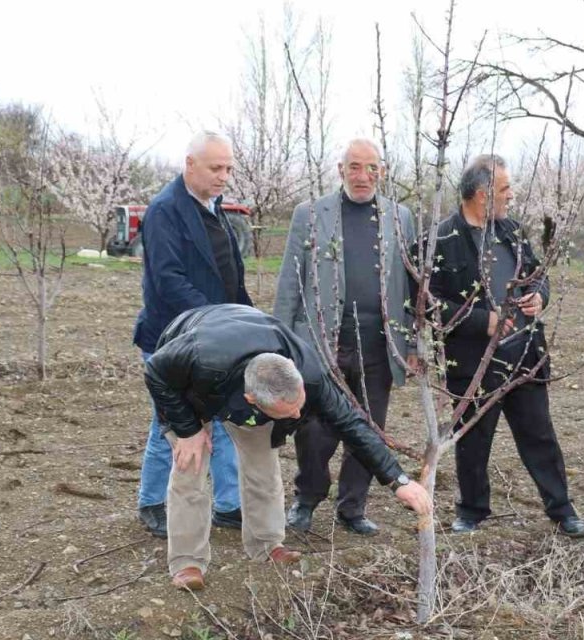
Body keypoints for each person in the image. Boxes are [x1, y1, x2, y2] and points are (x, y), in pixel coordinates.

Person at [145, 304, 433, 591]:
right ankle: (187, 562)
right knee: (190, 470)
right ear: (252, 400)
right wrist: (188, 430)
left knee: (263, 466)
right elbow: (156, 371)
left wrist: (398, 480)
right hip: (188, 389)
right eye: (288, 412)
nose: (298, 416)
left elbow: (352, 426)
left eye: (300, 404)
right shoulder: (200, 355)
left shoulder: (309, 371)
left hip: (243, 376)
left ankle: (267, 545)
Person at [424, 154, 584, 538]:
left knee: (539, 435)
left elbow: (536, 275)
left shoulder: (511, 231)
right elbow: (429, 304)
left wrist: (538, 297)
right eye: (504, 189)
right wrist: (486, 321)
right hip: (473, 362)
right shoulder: (442, 239)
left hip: (523, 355)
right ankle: (471, 510)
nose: (511, 196)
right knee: (473, 440)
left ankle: (561, 509)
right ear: (482, 195)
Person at [273, 139, 418, 536]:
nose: (362, 176)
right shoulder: (310, 214)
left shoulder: (399, 217)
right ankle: (306, 497)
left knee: (369, 427)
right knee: (315, 429)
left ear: (382, 172)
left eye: (371, 168)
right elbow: (291, 280)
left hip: (378, 341)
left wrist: (413, 344)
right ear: (340, 170)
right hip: (322, 340)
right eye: (354, 167)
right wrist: (279, 344)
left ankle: (352, 507)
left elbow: (411, 286)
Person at [132, 131, 252, 538]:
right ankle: (152, 502)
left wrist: (247, 320)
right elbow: (168, 280)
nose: (224, 176)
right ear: (190, 164)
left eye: (229, 168)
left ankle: (230, 505)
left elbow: (230, 274)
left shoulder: (212, 208)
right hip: (174, 340)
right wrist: (216, 320)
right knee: (167, 422)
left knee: (222, 420)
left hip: (214, 338)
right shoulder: (165, 211)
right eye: (216, 168)